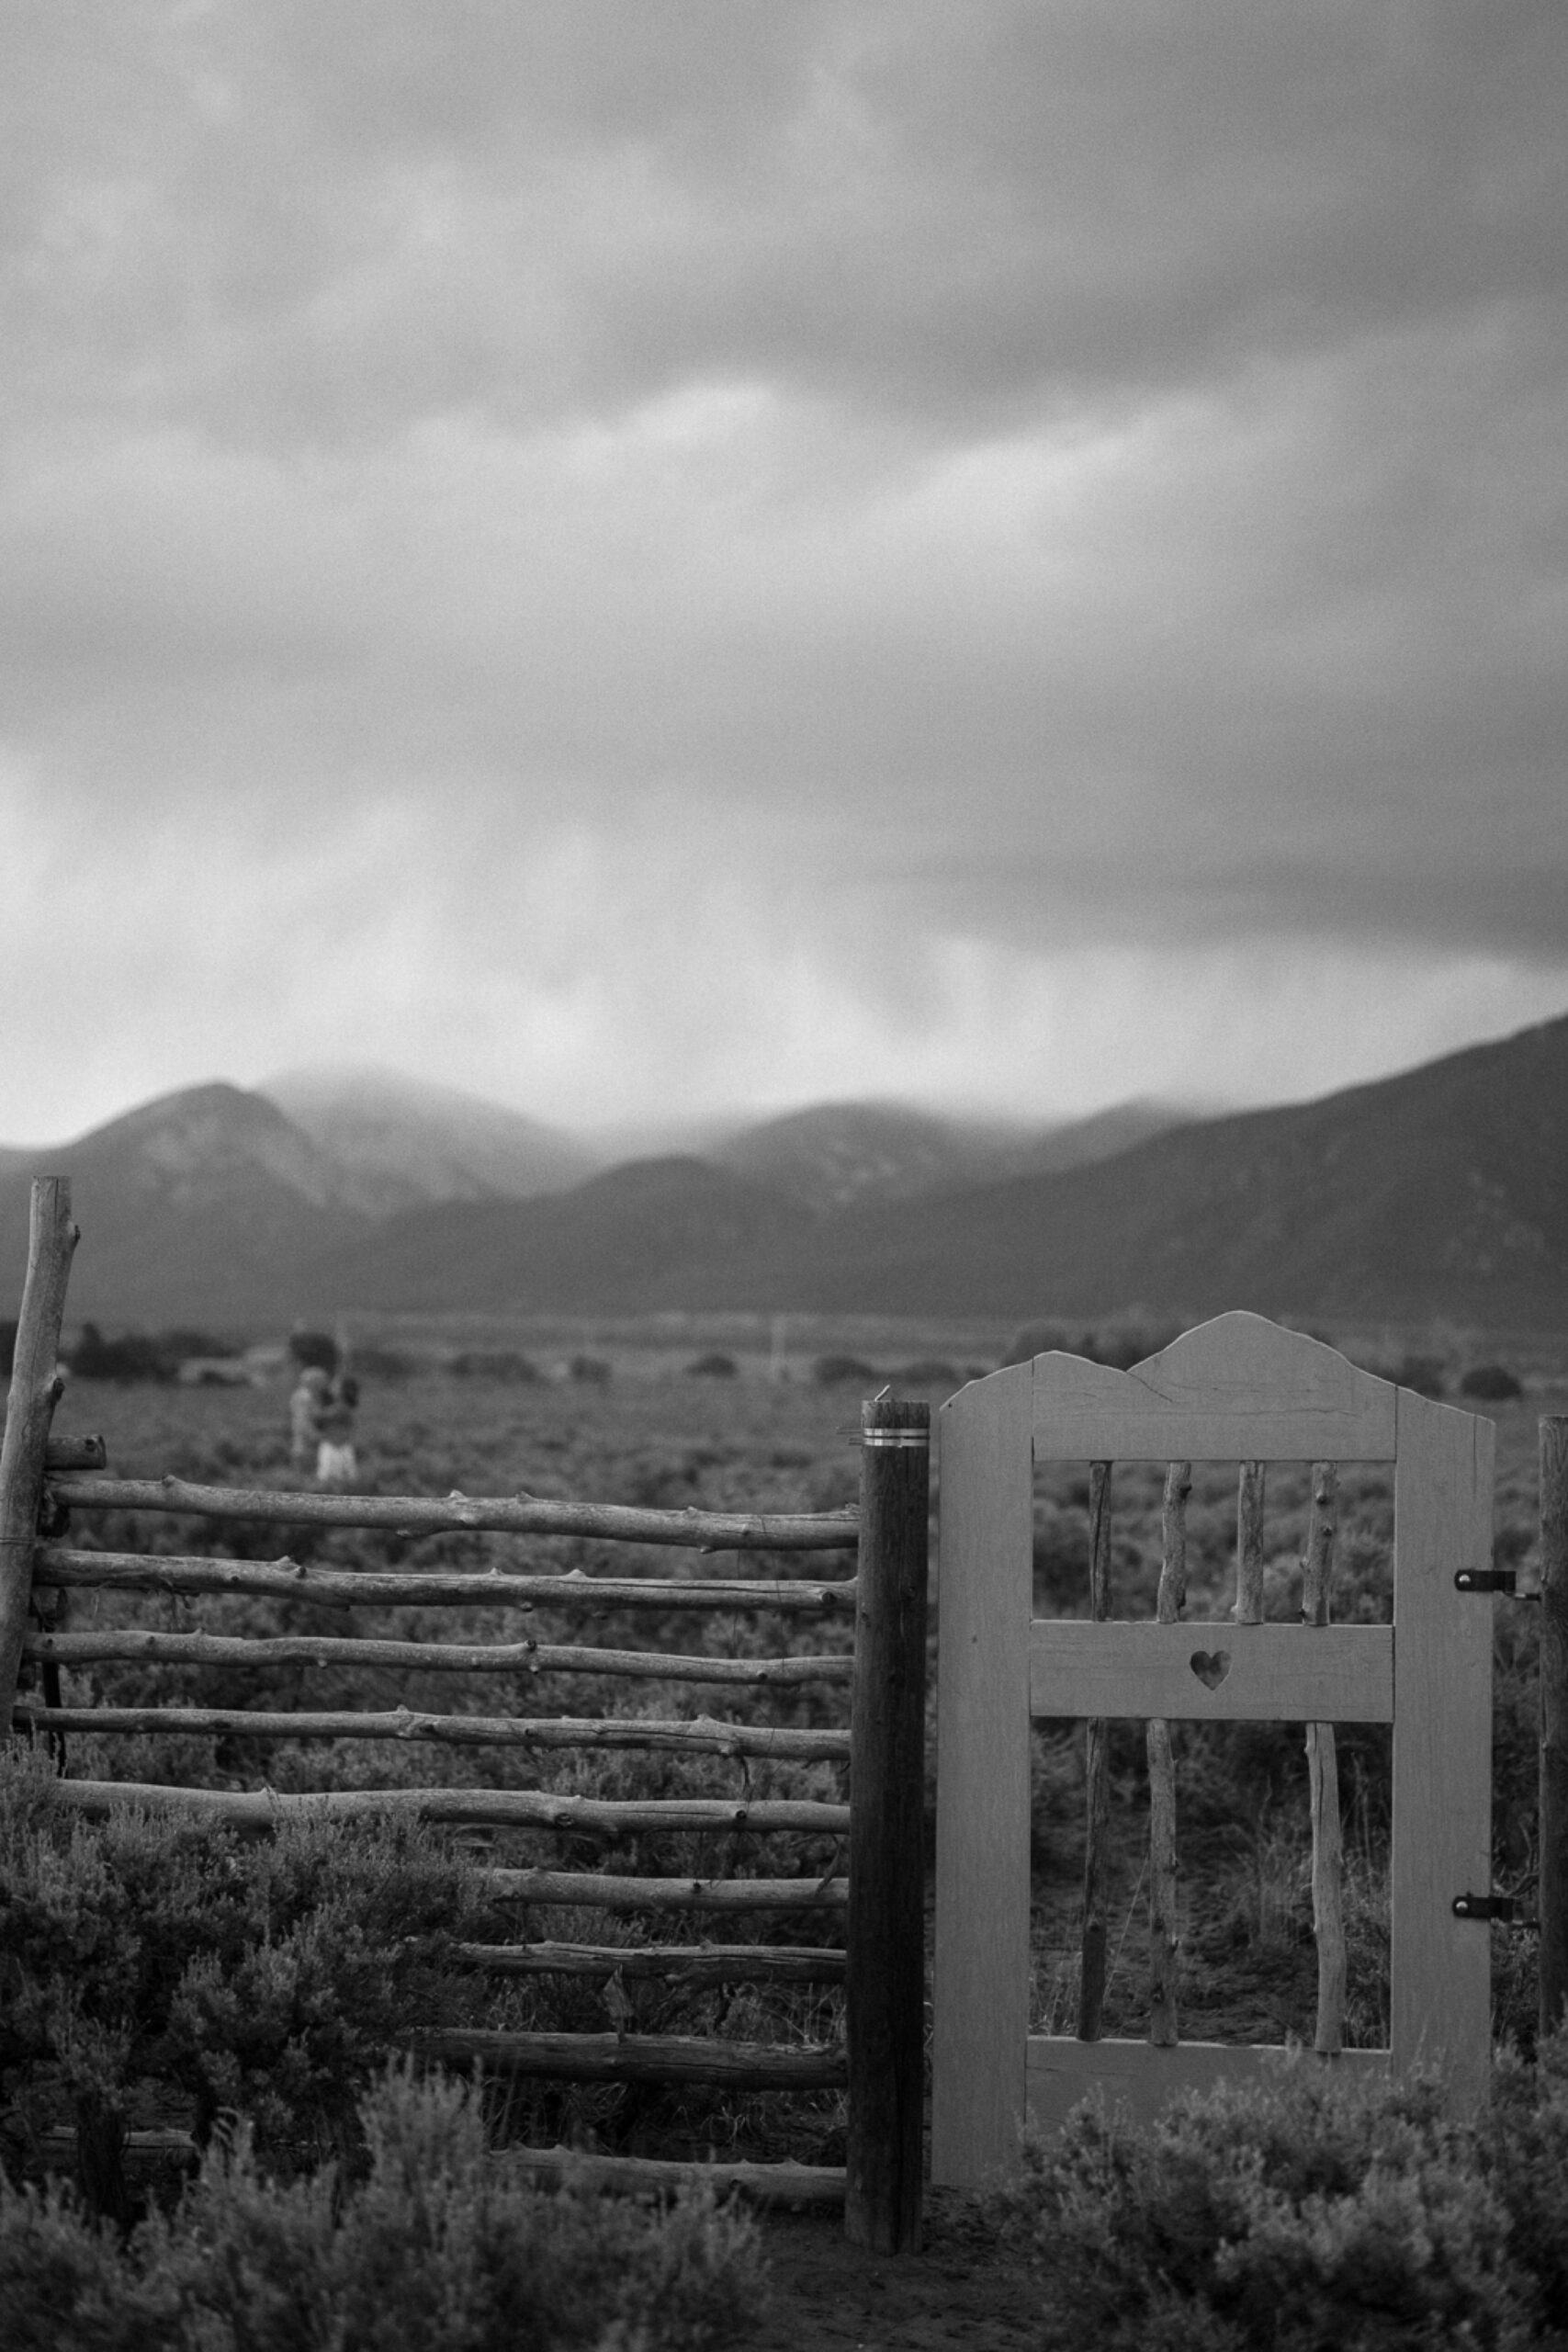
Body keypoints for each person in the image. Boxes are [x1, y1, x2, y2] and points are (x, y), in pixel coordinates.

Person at [314, 1374, 359, 1489]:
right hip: (332, 1444)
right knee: (327, 1476)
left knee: (344, 1477)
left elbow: (324, 1416)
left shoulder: (343, 1407)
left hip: (340, 1445)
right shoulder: (330, 1403)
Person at [288, 1365, 330, 1475]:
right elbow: (303, 1422)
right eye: (321, 1381)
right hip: (306, 1447)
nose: (325, 1385)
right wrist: (319, 1437)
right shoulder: (305, 1398)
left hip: (309, 1446)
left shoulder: (312, 1397)